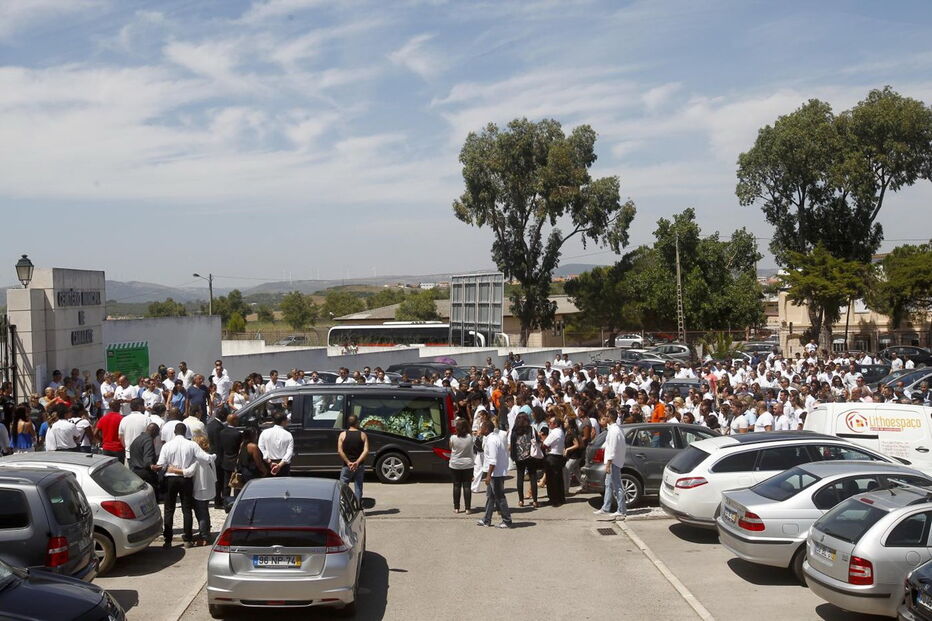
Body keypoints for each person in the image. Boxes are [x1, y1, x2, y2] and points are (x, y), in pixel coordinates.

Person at [156, 423, 214, 549]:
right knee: (187, 509)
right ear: (186, 432)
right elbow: (205, 457)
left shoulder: (167, 445)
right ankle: (188, 539)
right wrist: (213, 456)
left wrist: (167, 468)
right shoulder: (191, 445)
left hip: (170, 478)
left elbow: (161, 464)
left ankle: (168, 539)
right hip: (185, 479)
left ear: (174, 432)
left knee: (169, 510)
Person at [168, 435, 217, 547]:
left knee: (201, 513)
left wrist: (174, 470)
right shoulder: (209, 456)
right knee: (204, 511)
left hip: (200, 488)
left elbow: (189, 472)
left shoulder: (197, 458)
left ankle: (204, 536)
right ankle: (206, 532)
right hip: (208, 487)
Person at [476, 420, 513, 529]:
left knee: (500, 497)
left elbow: (493, 460)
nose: (480, 429)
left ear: (486, 429)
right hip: (496, 472)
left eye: (481, 427)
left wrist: (488, 475)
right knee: (490, 497)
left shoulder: (492, 441)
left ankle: (507, 520)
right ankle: (486, 519)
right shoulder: (494, 438)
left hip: (495, 474)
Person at [594, 410, 627, 520]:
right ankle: (606, 507)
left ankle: (621, 510)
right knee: (608, 485)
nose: (605, 418)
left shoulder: (614, 431)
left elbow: (612, 449)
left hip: (614, 462)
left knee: (617, 486)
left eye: (606, 416)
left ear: (610, 417)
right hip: (614, 462)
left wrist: (608, 464)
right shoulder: (615, 429)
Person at [510, 412, 540, 508]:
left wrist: (513, 456)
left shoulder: (514, 430)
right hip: (530, 456)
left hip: (519, 457)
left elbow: (512, 444)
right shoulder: (531, 429)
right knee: (533, 477)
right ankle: (535, 500)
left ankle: (521, 500)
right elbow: (537, 440)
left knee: (520, 477)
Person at [337, 415, 369, 501]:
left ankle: (345, 503)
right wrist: (357, 462)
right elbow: (366, 451)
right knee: (358, 486)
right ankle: (358, 504)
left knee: (343, 486)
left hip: (347, 466)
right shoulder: (363, 435)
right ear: (357, 423)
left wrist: (348, 462)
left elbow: (340, 451)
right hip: (359, 465)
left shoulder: (342, 435)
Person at [448, 418, 474, 513]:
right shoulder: (470, 437)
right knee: (467, 486)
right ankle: (467, 508)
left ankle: (456, 508)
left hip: (455, 464)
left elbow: (450, 447)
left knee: (456, 485)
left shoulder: (453, 438)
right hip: (468, 464)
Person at [128, 423, 160, 495]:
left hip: (135, 471)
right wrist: (152, 465)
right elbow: (148, 457)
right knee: (154, 492)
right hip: (145, 472)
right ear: (154, 431)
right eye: (157, 433)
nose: (157, 435)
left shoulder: (138, 438)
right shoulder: (148, 440)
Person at [257, 412, 292, 476]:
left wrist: (269, 462)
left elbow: (261, 448)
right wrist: (279, 465)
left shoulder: (264, 433)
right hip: (283, 466)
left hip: (268, 465)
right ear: (283, 421)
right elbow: (289, 452)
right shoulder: (288, 434)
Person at [542, 415, 566, 506]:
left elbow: (545, 444)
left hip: (552, 457)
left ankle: (554, 499)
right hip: (558, 457)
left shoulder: (554, 432)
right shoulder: (560, 431)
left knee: (552, 480)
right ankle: (560, 498)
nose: (549, 424)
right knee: (558, 479)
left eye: (551, 423)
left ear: (555, 424)